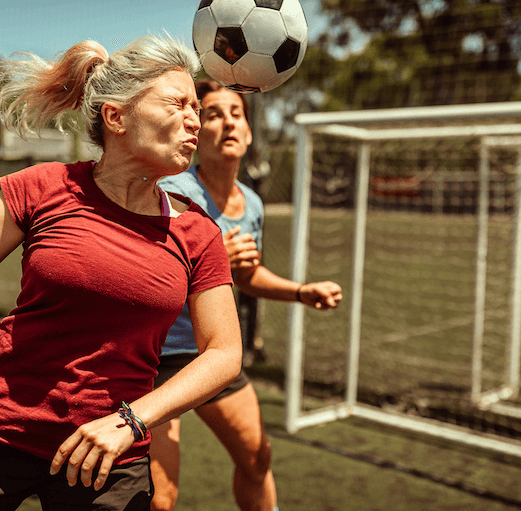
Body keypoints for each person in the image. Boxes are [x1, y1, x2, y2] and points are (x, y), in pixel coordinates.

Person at [0, 36, 242, 511]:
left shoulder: (200, 232)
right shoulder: (43, 188)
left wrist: (131, 421)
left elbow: (224, 353)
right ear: (115, 117)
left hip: (108, 461)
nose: (194, 120)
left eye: (196, 108)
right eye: (178, 103)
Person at [151, 79, 343, 511]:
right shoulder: (172, 193)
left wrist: (300, 291)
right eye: (213, 114)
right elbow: (148, 275)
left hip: (214, 353)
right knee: (159, 498)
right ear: (197, 133)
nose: (228, 123)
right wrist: (213, 252)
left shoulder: (252, 204)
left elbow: (247, 274)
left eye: (236, 113)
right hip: (156, 356)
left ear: (250, 131)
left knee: (257, 460)